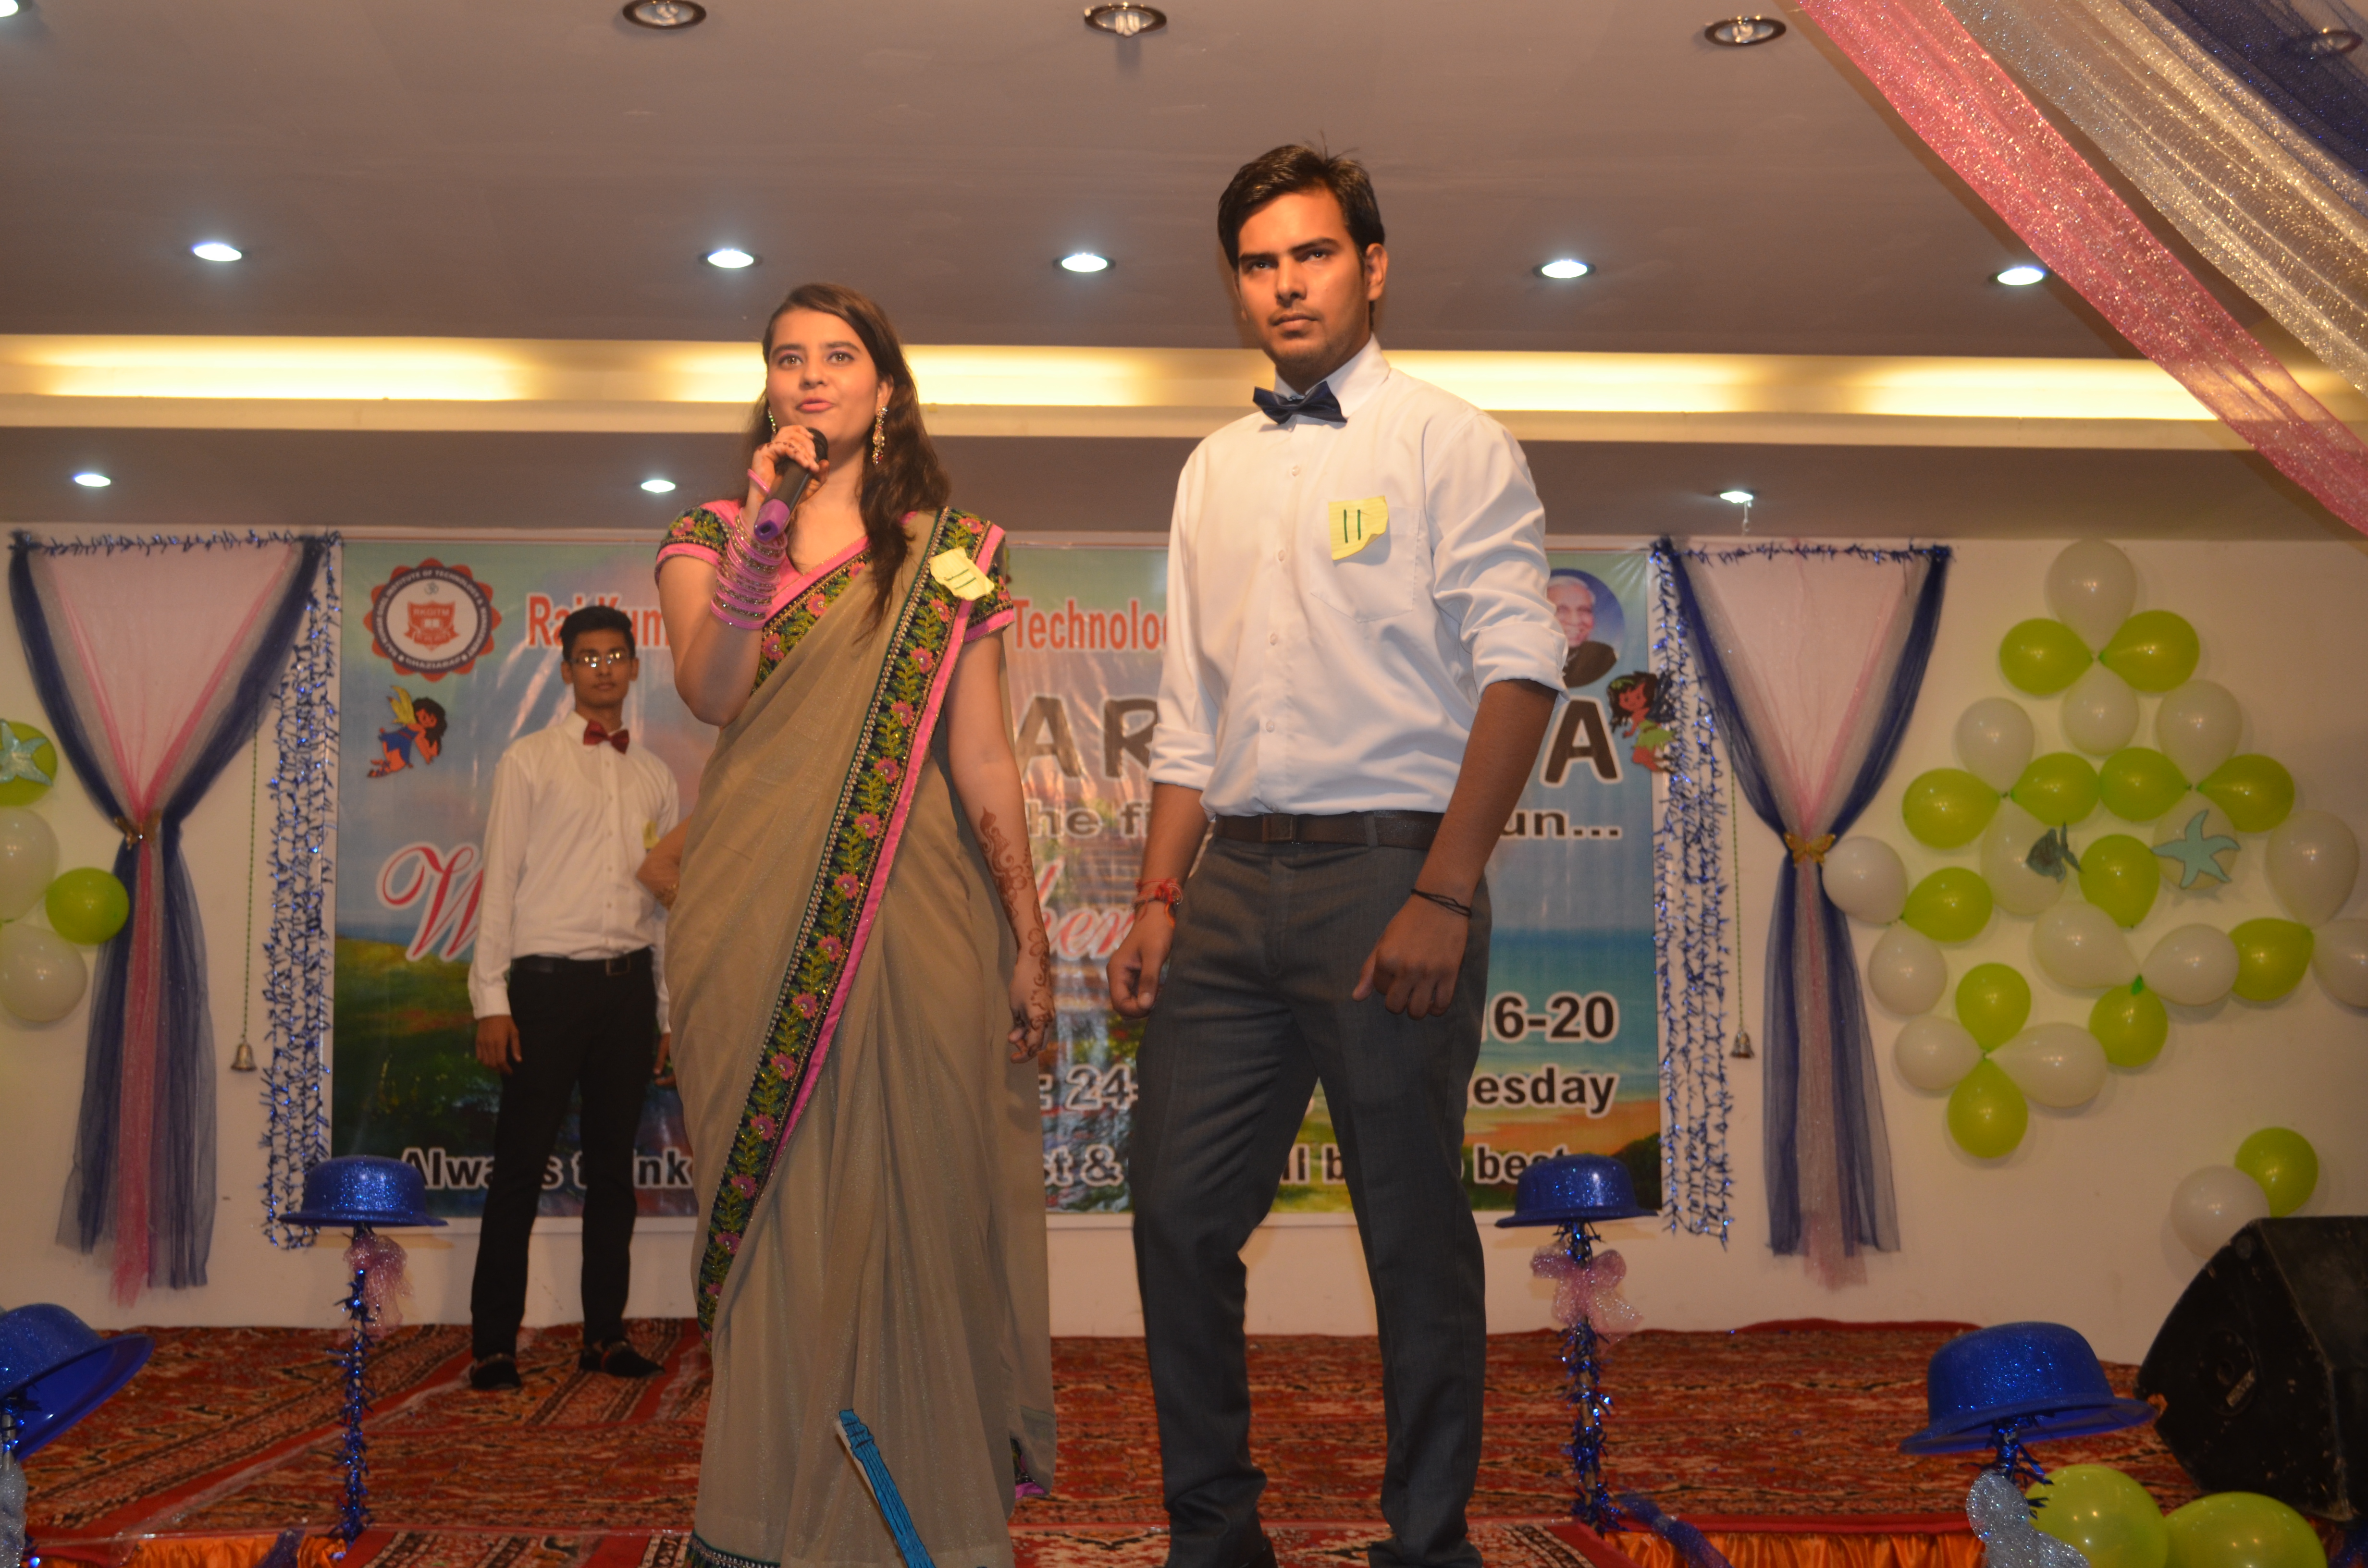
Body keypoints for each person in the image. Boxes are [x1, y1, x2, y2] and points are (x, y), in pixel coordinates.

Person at [1106, 147, 1563, 1568]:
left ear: (1371, 267)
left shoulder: (1447, 440)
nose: (1285, 284)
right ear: (1235, 286)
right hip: (1229, 882)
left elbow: (1521, 672)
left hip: (1389, 875)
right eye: (1259, 263)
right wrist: (1157, 894)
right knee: (1175, 1211)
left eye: (1311, 254)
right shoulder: (1211, 469)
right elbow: (1191, 715)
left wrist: (1443, 888)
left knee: (1409, 1230)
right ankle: (1213, 1535)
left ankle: (1426, 1542)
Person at [654, 282, 1058, 1568]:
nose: (812, 374)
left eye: (839, 355)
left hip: (926, 915)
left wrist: (1030, 932)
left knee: (924, 1204)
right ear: (769, 386)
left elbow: (983, 755)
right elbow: (713, 691)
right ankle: (766, 1519)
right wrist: (764, 529)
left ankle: (925, 1516)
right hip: (748, 916)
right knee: (776, 1217)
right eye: (789, 357)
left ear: (887, 388)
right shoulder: (710, 531)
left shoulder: (957, 555)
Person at [466, 605, 680, 1391]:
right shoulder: (528, 760)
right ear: (565, 670)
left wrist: (666, 1010)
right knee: (519, 1168)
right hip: (545, 989)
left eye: (616, 655)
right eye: (588, 657)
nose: (603, 669)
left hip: (628, 990)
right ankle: (493, 1345)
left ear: (634, 667)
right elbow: (499, 882)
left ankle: (604, 1335)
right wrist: (491, 999)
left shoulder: (655, 775)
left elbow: (667, 907)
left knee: (614, 1173)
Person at [1549, 570, 1616, 689]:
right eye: (1561, 610)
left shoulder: (1603, 657)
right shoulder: (1525, 657)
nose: (1574, 621)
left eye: (1584, 610)